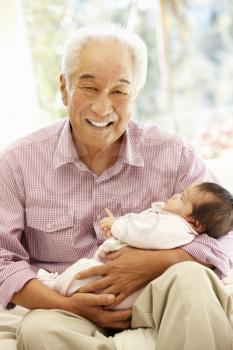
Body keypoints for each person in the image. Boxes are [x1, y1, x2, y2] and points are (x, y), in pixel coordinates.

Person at [0, 24, 233, 350]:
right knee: (38, 330)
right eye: (89, 86)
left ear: (135, 94)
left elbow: (225, 235)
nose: (102, 107)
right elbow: (3, 260)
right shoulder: (18, 162)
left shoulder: (174, 153)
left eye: (120, 91)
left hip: (155, 292)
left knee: (193, 279)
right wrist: (69, 305)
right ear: (64, 88)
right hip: (71, 303)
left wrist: (157, 262)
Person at [36, 181, 233, 311]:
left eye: (182, 198)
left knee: (81, 273)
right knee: (83, 272)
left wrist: (118, 226)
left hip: (128, 290)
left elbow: (145, 235)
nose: (175, 195)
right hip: (119, 278)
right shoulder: (172, 220)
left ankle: (55, 286)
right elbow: (142, 226)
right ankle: (58, 286)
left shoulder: (178, 227)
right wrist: (118, 229)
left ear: (196, 223)